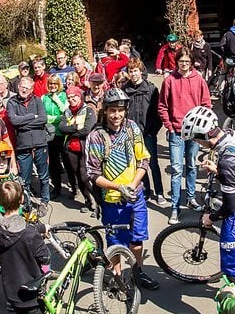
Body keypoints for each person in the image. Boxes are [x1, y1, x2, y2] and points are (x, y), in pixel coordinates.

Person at [181, 106, 235, 314]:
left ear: (204, 136)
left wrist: (211, 218)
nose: (197, 144)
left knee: (234, 272)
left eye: (196, 140)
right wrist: (219, 171)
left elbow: (229, 206)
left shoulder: (226, 161)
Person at [85, 88, 159, 290]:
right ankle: (116, 278)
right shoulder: (96, 136)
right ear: (105, 111)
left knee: (136, 240)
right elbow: (92, 173)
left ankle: (137, 273)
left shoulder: (132, 128)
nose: (116, 115)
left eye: (120, 110)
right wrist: (118, 187)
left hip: (136, 196)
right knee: (116, 243)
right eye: (112, 110)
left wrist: (133, 186)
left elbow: (144, 159)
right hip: (112, 200)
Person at [158, 48, 211, 224]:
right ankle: (175, 206)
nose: (184, 64)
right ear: (177, 61)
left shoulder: (199, 79)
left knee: (192, 166)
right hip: (176, 130)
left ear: (191, 62)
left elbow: (206, 104)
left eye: (187, 61)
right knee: (176, 169)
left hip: (194, 132)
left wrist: (202, 127)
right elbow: (163, 106)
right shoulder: (169, 81)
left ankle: (191, 197)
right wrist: (170, 126)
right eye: (182, 61)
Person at [0, 179, 51, 314]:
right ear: (22, 199)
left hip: (12, 288)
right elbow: (44, 257)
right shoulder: (30, 233)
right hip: (31, 289)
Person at [122, 59, 168, 207]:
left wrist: (152, 132)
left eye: (135, 70)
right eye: (131, 71)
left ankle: (159, 192)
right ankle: (147, 190)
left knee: (153, 164)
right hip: (132, 135)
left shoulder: (151, 89)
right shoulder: (125, 89)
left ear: (141, 71)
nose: (133, 74)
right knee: (139, 165)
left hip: (148, 133)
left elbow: (158, 113)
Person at [7, 75, 51, 205]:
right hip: (23, 146)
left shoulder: (37, 100)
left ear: (31, 89)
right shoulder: (12, 102)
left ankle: (45, 200)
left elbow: (43, 119)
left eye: (27, 88)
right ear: (18, 86)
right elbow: (14, 121)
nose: (24, 90)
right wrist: (32, 116)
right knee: (24, 179)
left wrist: (23, 124)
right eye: (22, 87)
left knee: (43, 176)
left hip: (40, 143)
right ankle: (26, 203)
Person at [58, 87, 97, 214]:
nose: (71, 99)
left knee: (85, 176)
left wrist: (71, 129)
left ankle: (99, 202)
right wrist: (77, 127)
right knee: (79, 177)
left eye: (74, 96)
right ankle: (87, 201)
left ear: (79, 97)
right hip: (70, 149)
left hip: (85, 148)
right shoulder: (67, 112)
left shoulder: (88, 110)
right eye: (69, 97)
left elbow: (87, 129)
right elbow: (61, 128)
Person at [41, 74, 68, 198]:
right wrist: (55, 118)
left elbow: (65, 113)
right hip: (50, 134)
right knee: (53, 163)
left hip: (62, 133)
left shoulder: (64, 96)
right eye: (51, 83)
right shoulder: (44, 97)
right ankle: (56, 188)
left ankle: (74, 187)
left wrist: (57, 100)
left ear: (59, 84)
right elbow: (43, 116)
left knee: (67, 161)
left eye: (55, 84)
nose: (52, 86)